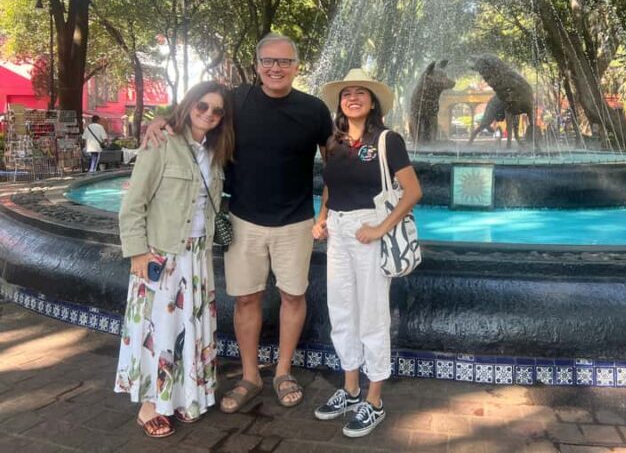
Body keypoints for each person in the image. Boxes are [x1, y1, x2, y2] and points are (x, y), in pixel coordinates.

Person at [143, 34, 333, 411]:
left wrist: (325, 212)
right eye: (268, 61)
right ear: (257, 63)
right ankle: (250, 376)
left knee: (293, 295)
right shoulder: (236, 101)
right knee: (247, 299)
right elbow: (198, 112)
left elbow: (335, 165)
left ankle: (282, 371)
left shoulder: (314, 110)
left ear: (297, 66)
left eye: (284, 62)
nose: (275, 68)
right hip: (243, 218)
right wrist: (161, 120)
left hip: (295, 221)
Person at [115, 81, 234, 438]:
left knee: (189, 330)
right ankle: (149, 405)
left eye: (216, 111)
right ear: (188, 105)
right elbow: (134, 202)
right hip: (163, 252)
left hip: (197, 255)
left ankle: (183, 397)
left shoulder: (213, 152)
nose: (209, 114)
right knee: (157, 331)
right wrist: (137, 250)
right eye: (202, 106)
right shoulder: (162, 142)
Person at [312, 68, 422, 438]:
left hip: (370, 228)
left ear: (372, 102)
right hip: (339, 232)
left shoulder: (388, 140)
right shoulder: (332, 142)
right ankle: (351, 388)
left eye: (361, 92)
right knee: (341, 309)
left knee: (373, 314)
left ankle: (374, 400)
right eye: (347, 93)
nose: (353, 97)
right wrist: (322, 217)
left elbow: (412, 192)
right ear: (341, 103)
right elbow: (330, 185)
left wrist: (379, 228)